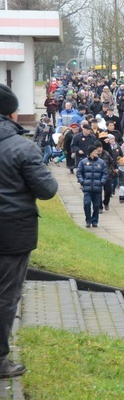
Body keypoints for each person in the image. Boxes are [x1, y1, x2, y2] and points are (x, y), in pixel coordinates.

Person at [0, 83, 58, 378]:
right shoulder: (23, 148)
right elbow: (47, 190)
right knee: (6, 297)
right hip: (11, 233)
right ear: (12, 113)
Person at [76, 144, 109, 228]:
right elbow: (79, 172)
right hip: (87, 187)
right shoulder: (83, 162)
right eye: (94, 151)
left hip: (97, 188)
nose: (96, 152)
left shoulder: (101, 162)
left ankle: (95, 220)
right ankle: (88, 220)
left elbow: (105, 173)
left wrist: (101, 182)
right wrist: (82, 181)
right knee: (86, 204)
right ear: (90, 152)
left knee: (96, 205)